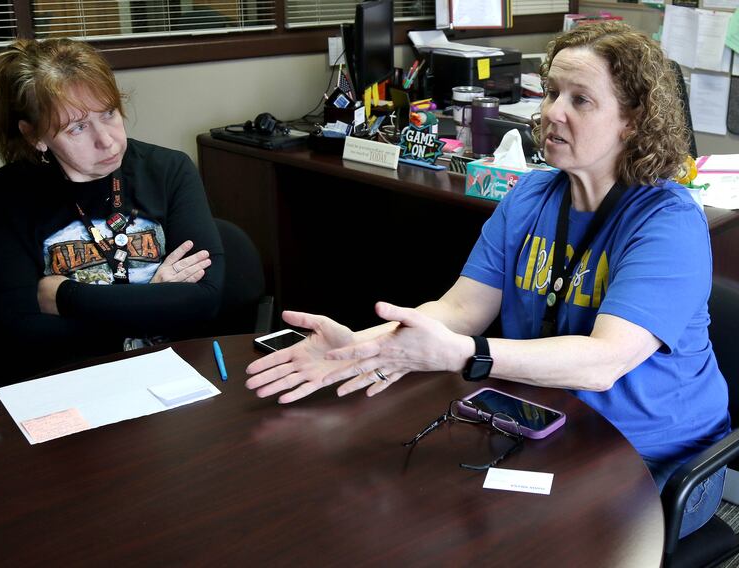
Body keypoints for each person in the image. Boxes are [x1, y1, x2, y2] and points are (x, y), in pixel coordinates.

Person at [246, 22, 730, 538]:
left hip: (658, 459)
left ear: (632, 120)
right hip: (545, 424)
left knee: (527, 543)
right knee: (417, 512)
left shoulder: (666, 220)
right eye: (550, 93)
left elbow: (603, 363)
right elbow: (459, 310)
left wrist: (463, 354)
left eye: (580, 100)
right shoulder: (531, 196)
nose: (551, 112)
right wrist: (361, 347)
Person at [0, 38, 225, 387]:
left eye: (109, 113)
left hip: (170, 374)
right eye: (77, 127)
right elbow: (15, 328)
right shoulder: (1, 196)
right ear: (35, 136)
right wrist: (155, 299)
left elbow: (204, 301)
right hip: (64, 380)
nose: (107, 140)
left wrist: (65, 296)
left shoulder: (168, 170)